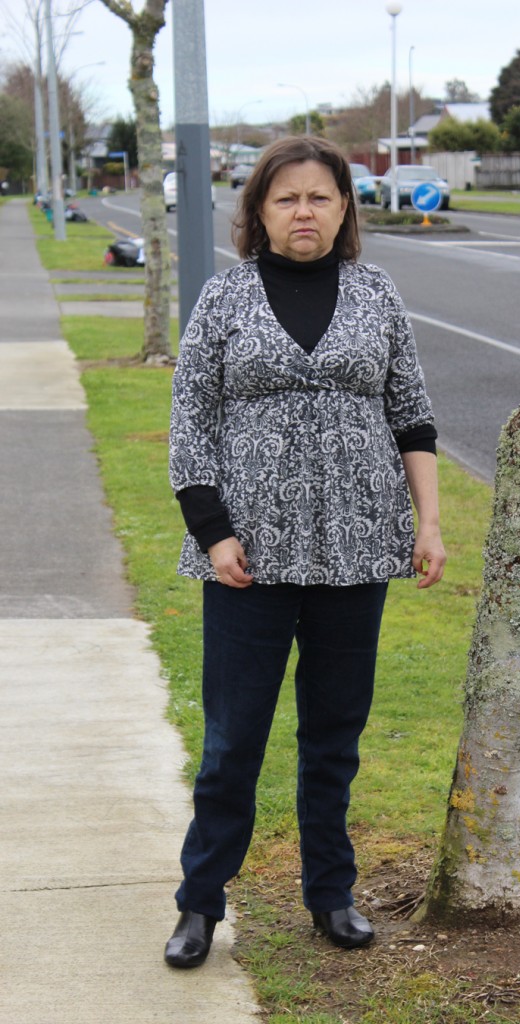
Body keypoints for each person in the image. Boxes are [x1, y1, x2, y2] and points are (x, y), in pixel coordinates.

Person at [165, 136, 446, 968]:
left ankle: (331, 894)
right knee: (233, 742)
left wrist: (427, 524)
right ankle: (199, 905)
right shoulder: (222, 299)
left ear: (344, 210)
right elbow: (191, 431)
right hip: (246, 560)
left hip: (358, 551)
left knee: (334, 736)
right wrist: (215, 535)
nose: (304, 213)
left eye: (321, 198)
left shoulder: (377, 295)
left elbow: (414, 418)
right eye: (286, 198)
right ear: (257, 210)